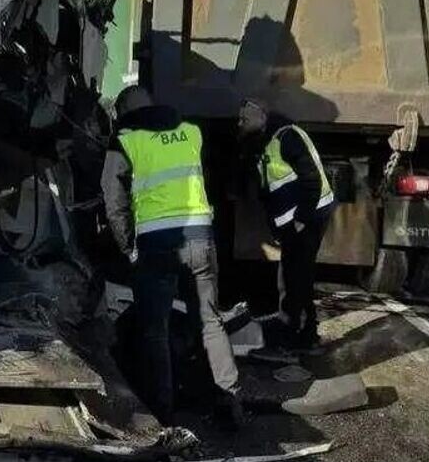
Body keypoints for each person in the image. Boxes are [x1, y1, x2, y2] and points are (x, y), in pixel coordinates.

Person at [101, 85, 243, 428]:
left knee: (155, 330)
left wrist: (127, 248)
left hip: (156, 245)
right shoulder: (189, 132)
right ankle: (231, 403)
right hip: (201, 239)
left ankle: (163, 412)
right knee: (211, 322)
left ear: (123, 113)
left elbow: (113, 202)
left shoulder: (125, 140)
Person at [238, 99, 335, 353]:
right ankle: (302, 334)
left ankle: (297, 338)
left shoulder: (287, 137)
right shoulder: (265, 142)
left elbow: (312, 180)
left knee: (296, 278)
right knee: (292, 276)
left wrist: (301, 220)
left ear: (261, 117)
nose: (240, 124)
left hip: (310, 218)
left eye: (244, 119)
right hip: (295, 223)